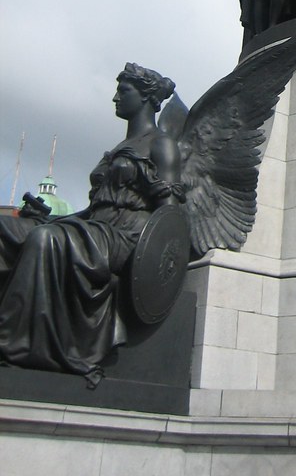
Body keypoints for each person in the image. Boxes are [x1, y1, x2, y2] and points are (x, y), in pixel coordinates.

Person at [0, 64, 181, 383]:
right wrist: (48, 218)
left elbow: (171, 217)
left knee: (45, 240)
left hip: (126, 236)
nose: (115, 97)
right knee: (7, 228)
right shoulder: (115, 150)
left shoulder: (160, 144)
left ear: (146, 97)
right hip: (93, 228)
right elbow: (91, 211)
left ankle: (15, 344)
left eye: (123, 91)